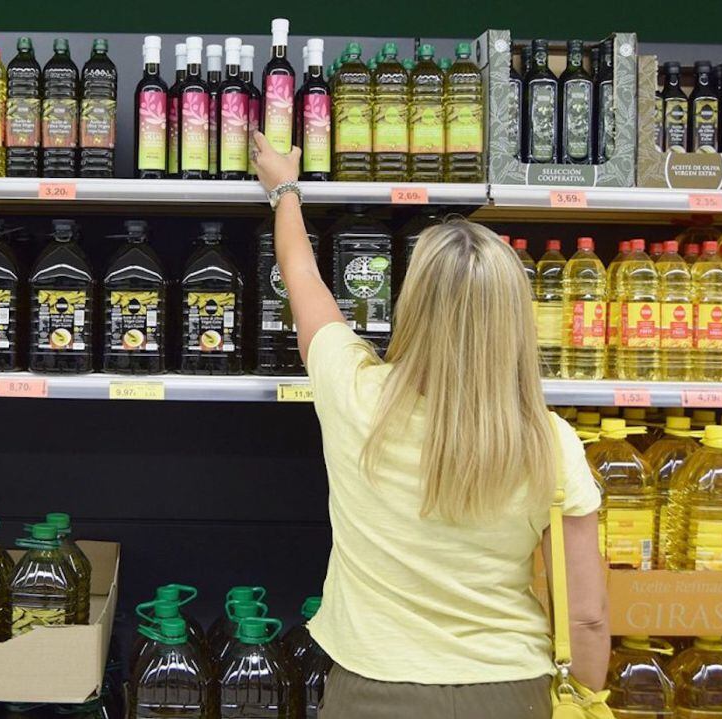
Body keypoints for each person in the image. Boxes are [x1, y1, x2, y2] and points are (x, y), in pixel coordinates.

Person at [248, 132, 609, 719]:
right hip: (510, 693)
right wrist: (587, 701)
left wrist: (285, 190)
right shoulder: (549, 440)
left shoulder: (356, 394)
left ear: (411, 305)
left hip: (373, 692)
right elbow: (587, 616)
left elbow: (302, 278)